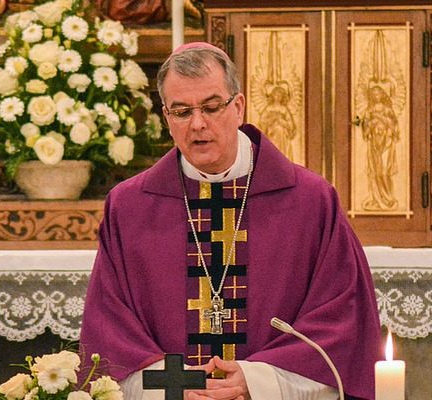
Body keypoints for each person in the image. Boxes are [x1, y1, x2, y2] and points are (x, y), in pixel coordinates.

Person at [80, 42, 381, 400]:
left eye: (211, 107)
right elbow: (110, 330)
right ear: (166, 118)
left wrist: (255, 382)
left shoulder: (311, 201)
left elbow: (342, 322)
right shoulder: (129, 206)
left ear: (238, 106)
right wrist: (176, 388)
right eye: (181, 111)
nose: (198, 124)